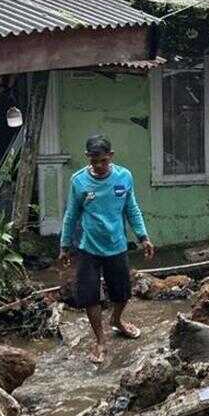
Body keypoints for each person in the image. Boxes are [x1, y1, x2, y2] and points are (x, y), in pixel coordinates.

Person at [59, 135, 155, 365]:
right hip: (88, 248)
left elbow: (132, 208)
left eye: (103, 160)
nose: (99, 166)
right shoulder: (78, 181)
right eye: (94, 162)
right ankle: (100, 340)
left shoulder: (124, 177)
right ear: (87, 159)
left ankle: (117, 320)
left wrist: (143, 237)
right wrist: (64, 246)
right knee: (89, 296)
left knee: (122, 293)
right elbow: (71, 215)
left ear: (110, 157)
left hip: (117, 245)